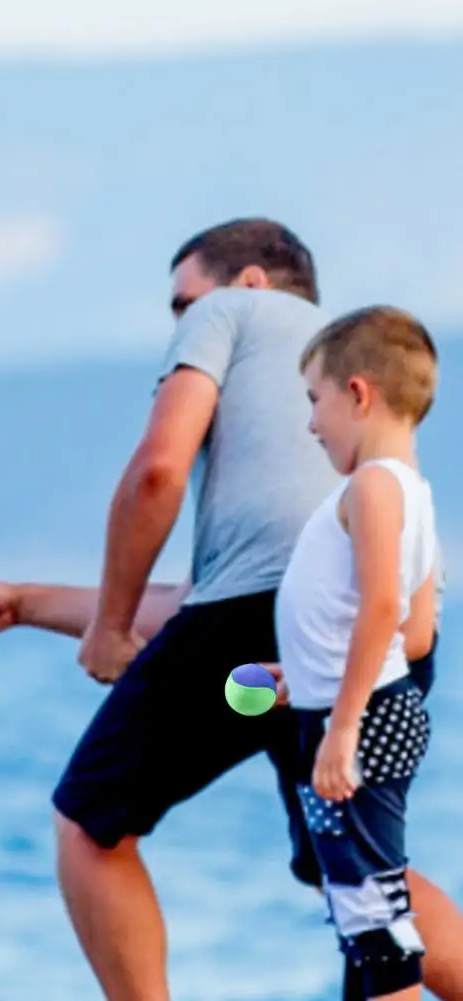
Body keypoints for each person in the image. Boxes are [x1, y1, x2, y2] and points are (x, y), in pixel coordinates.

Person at [0, 218, 463, 1001]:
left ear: (250, 282)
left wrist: (107, 628)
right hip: (373, 655)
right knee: (360, 869)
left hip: (272, 632)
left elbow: (158, 473)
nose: (176, 328)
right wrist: (27, 602)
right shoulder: (366, 422)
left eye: (180, 303)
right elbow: (214, 608)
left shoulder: (229, 314)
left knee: (89, 824)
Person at [276, 306, 438, 1001]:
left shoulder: (371, 486)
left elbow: (379, 606)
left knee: (373, 915)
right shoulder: (413, 492)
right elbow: (415, 632)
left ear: (358, 394)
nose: (311, 423)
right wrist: (312, 675)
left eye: (314, 400)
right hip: (358, 706)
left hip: (359, 723)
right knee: (356, 899)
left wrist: (341, 725)